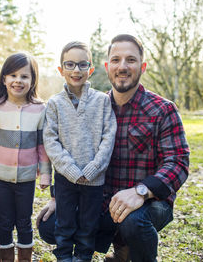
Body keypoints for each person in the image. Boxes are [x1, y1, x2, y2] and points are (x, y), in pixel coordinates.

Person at [37, 34, 190, 262]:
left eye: (131, 60)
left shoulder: (162, 109)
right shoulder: (96, 104)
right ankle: (120, 251)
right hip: (99, 198)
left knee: (134, 221)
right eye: (116, 60)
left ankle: (135, 254)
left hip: (148, 203)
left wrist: (141, 192)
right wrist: (57, 196)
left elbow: (178, 162)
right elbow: (69, 145)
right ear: (107, 67)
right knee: (50, 225)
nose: (123, 67)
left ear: (143, 66)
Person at [43, 41, 117, 262]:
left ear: (90, 69)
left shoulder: (103, 101)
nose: (76, 70)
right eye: (70, 64)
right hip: (65, 179)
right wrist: (72, 170)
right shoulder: (54, 103)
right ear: (61, 70)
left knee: (88, 225)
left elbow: (108, 136)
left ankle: (83, 258)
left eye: (82, 65)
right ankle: (64, 257)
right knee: (64, 224)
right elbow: (50, 141)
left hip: (94, 180)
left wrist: (93, 168)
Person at [0, 52, 51, 262]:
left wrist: (45, 175)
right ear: (4, 79)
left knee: (24, 221)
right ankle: (6, 258)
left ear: (32, 80)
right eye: (13, 75)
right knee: (4, 220)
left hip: (27, 179)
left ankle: (25, 258)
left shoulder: (39, 109)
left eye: (24, 76)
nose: (18, 81)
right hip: (0, 178)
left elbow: (42, 146)